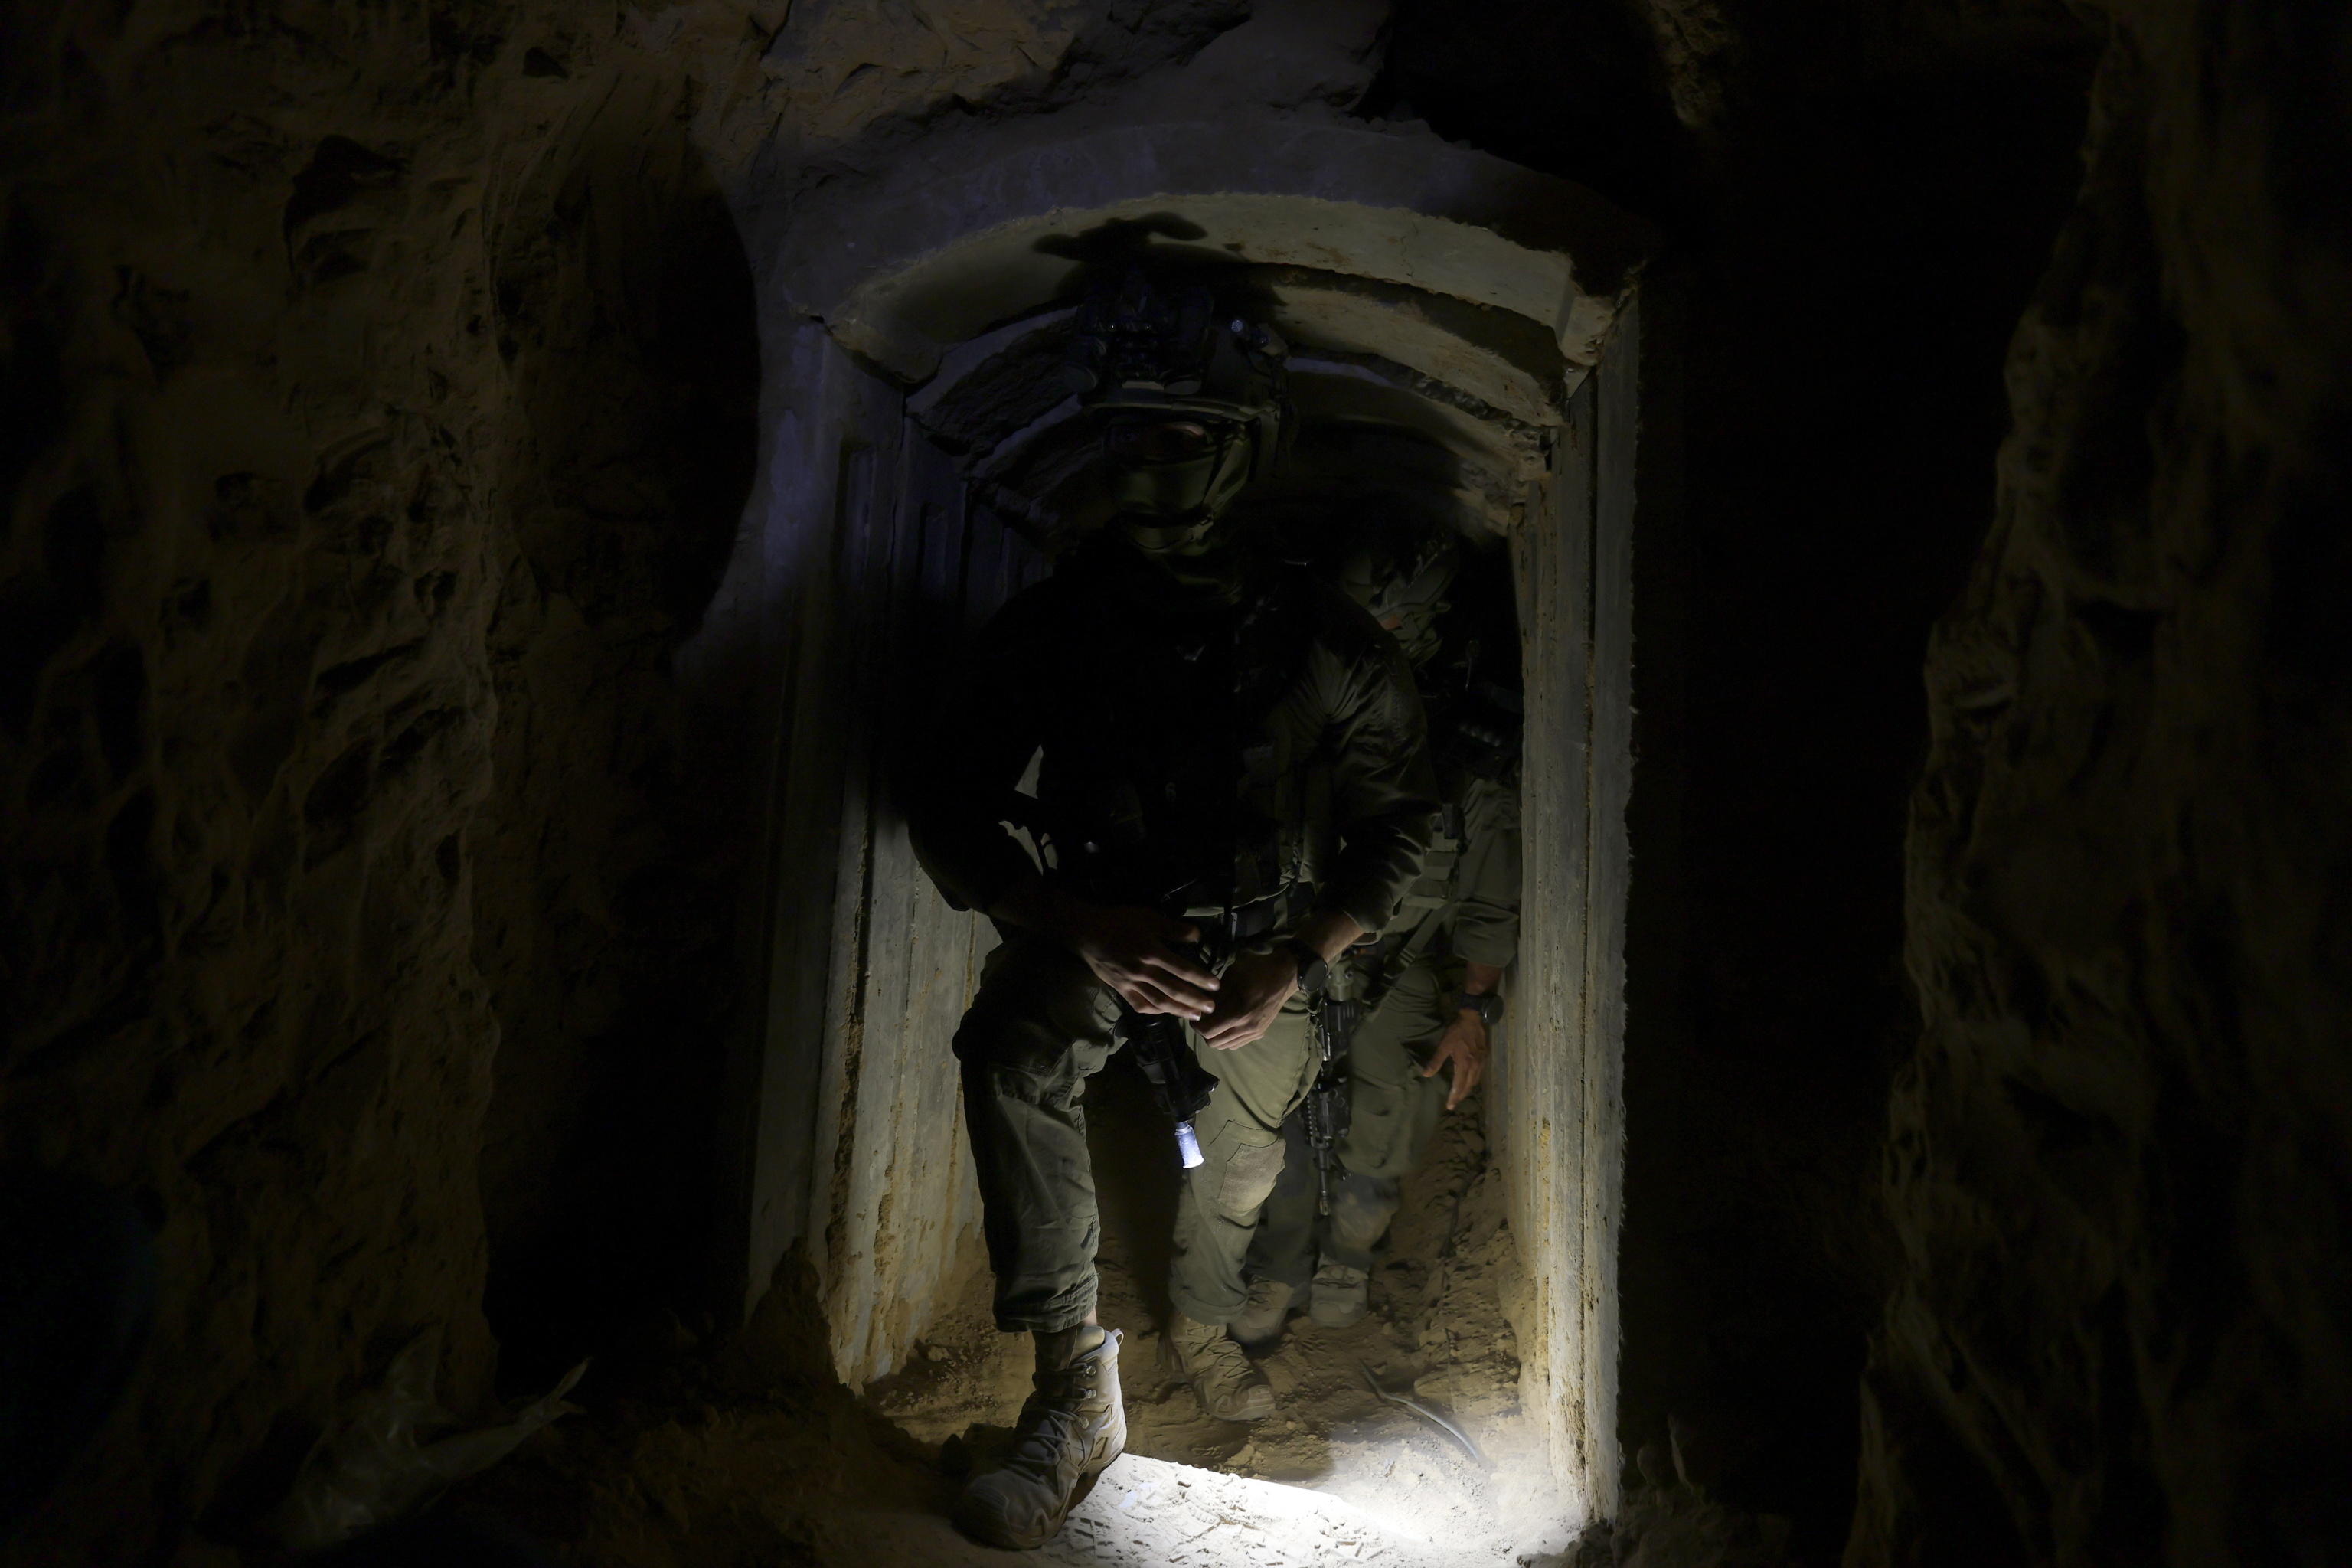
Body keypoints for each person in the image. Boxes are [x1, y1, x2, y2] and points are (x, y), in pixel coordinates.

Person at [903, 273, 1438, 1550]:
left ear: (1245, 448)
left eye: (1182, 438)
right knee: (1013, 1047)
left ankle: (1202, 1319)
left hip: (1265, 958)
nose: (1150, 467)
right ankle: (1070, 1391)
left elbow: (1408, 824)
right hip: (1105, 932)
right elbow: (948, 803)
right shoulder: (1057, 628)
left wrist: (1302, 959)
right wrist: (1077, 924)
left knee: (1240, 1164)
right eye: (1129, 436)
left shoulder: (1323, 647)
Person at [1232, 518, 1523, 1341]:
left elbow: (1491, 891)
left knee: (1394, 1096)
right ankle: (1279, 1265)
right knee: (1279, 1111)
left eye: (1384, 626)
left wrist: (1476, 1010)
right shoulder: (1298, 704)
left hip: (1402, 961)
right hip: (1301, 953)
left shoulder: (1461, 739)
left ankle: (1350, 1256)